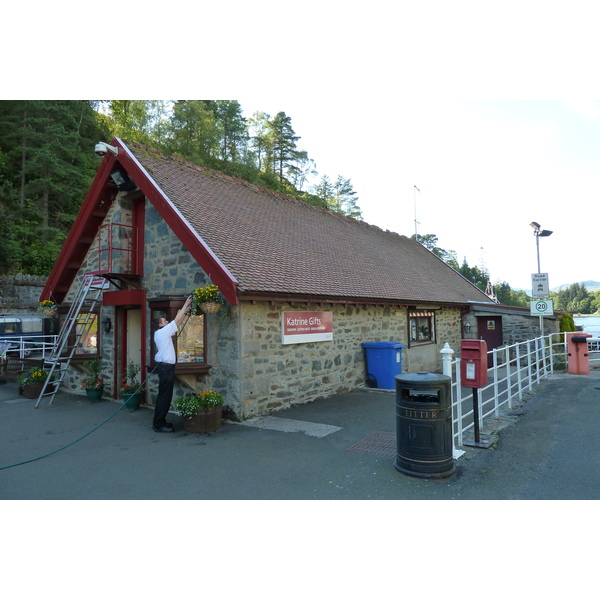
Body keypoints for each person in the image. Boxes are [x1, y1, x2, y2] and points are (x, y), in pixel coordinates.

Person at [152, 295, 193, 432]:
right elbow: (176, 320)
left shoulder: (162, 333)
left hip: (166, 368)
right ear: (160, 325)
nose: (167, 321)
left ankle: (160, 421)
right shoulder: (162, 333)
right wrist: (186, 302)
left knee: (165, 396)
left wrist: (186, 309)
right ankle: (158, 424)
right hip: (166, 368)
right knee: (164, 397)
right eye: (165, 320)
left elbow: (178, 322)